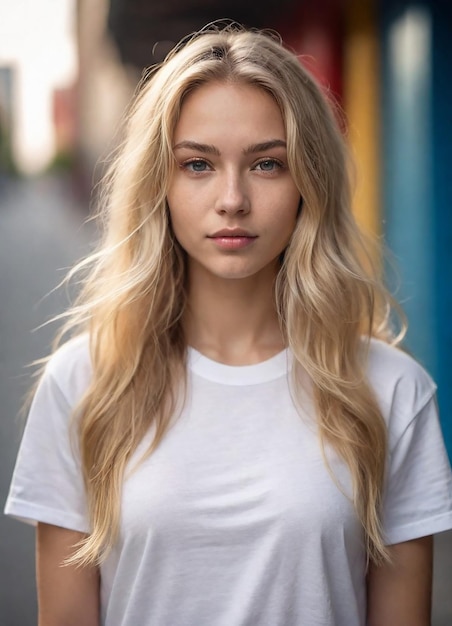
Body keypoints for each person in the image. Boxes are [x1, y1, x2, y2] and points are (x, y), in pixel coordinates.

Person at [4, 24, 452, 626]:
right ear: (158, 183)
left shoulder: (391, 391)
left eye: (267, 164)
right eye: (198, 165)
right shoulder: (83, 385)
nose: (233, 199)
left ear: (308, 184)